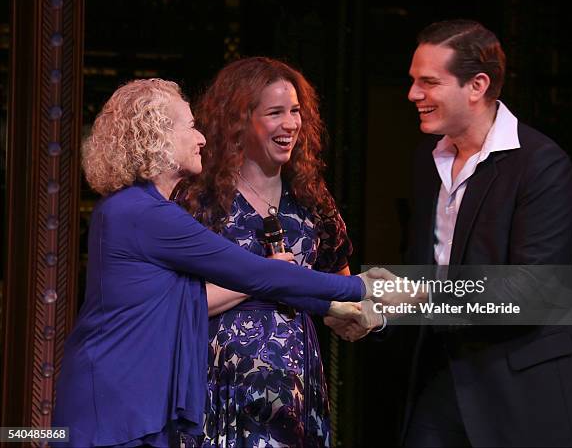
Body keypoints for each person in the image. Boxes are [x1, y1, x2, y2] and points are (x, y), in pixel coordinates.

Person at [328, 19, 572, 447]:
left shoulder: (541, 164)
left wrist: (425, 297)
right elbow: (423, 273)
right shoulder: (428, 161)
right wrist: (376, 313)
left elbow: (535, 291)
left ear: (477, 85)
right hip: (442, 381)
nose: (413, 95)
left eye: (428, 82)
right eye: (412, 81)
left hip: (522, 389)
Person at [51, 78, 376, 447]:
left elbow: (207, 292)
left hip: (131, 400)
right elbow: (258, 274)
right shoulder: (145, 214)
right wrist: (367, 286)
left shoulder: (130, 209)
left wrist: (333, 302)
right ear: (158, 137)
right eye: (190, 127)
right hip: (114, 407)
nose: (202, 138)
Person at [177, 56, 355, 447]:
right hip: (221, 387)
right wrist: (263, 276)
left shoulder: (311, 198)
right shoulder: (200, 201)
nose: (291, 123)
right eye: (276, 112)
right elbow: (174, 304)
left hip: (295, 386)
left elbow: (337, 284)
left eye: (295, 111)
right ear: (240, 121)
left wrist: (350, 315)